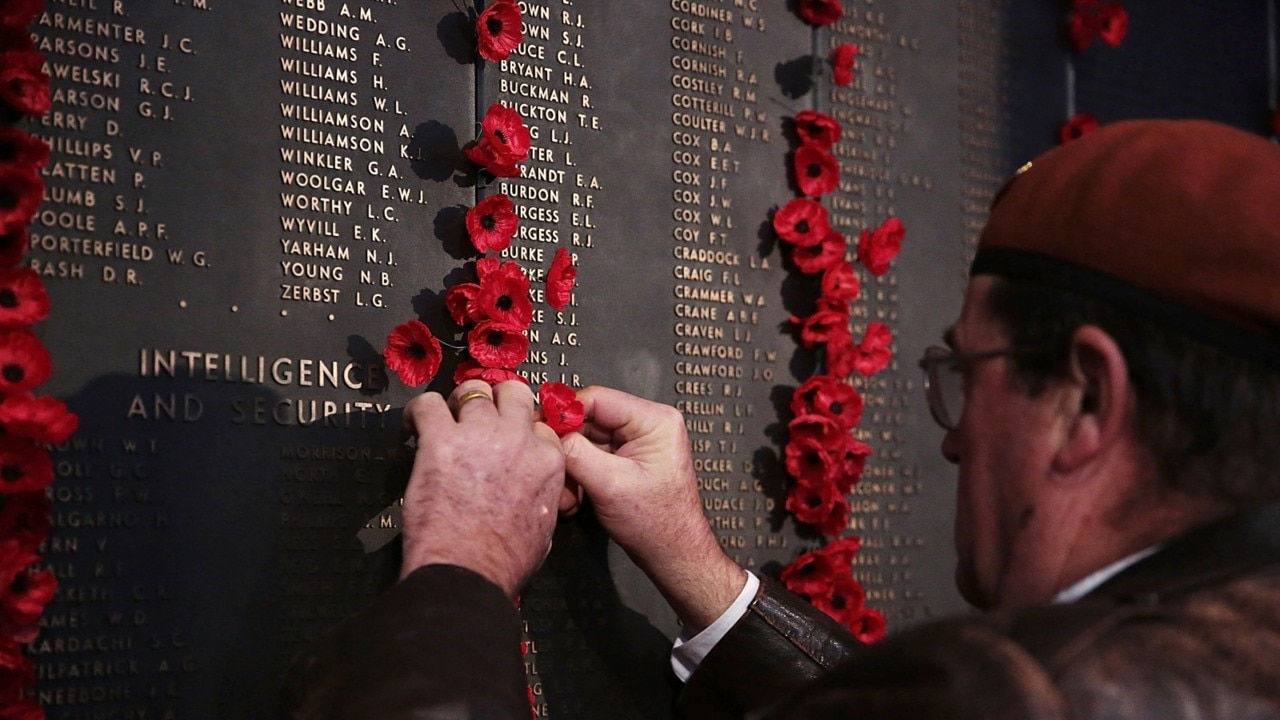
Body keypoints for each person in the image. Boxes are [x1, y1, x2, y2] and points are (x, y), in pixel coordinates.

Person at [282, 119, 1280, 719]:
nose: (951, 435)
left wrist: (460, 564)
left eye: (966, 373)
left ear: (1087, 402)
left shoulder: (1016, 690)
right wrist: (706, 582)